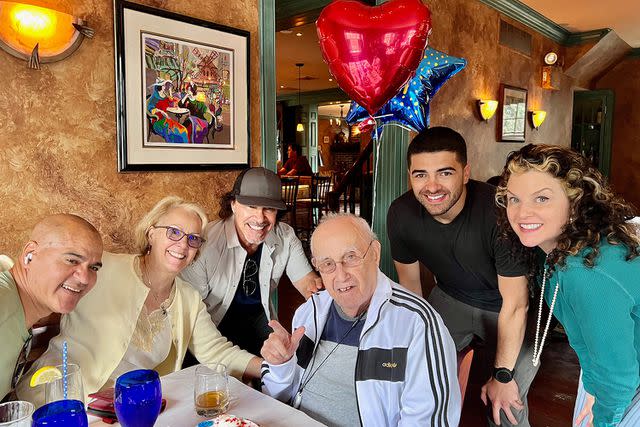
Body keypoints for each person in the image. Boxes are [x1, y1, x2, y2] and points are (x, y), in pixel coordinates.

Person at [17, 196, 261, 406]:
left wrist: (272, 368)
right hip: (56, 398)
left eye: (193, 239)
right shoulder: (100, 268)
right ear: (151, 233)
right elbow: (37, 284)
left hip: (125, 409)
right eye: (174, 232)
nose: (183, 244)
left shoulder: (189, 298)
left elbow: (217, 352)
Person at [387, 127, 536, 426]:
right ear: (409, 175)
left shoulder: (499, 212)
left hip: (508, 307)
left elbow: (516, 304)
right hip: (450, 297)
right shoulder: (401, 214)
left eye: (444, 173)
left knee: (505, 404)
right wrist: (418, 348)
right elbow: (411, 288)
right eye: (420, 175)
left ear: (465, 173)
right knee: (414, 374)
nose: (431, 186)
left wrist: (503, 375)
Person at [261, 214, 461, 426]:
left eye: (350, 257)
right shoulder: (309, 312)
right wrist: (280, 365)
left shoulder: (418, 324)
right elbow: (277, 397)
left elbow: (429, 421)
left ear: (375, 253)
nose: (341, 275)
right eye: (327, 264)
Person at [496, 144, 640, 427]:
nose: (523, 212)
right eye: (513, 199)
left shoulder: (585, 272)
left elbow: (618, 377)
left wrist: (604, 418)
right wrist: (593, 384)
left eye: (541, 199)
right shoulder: (555, 251)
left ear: (575, 204)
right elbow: (597, 350)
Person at [181, 168, 322, 356]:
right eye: (251, 207)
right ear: (233, 205)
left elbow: (308, 284)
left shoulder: (285, 236)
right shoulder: (206, 243)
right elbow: (191, 311)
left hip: (259, 320)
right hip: (212, 325)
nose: (260, 218)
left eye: (269, 209)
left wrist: (327, 296)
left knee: (285, 364)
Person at [0, 214, 103, 401]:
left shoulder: (17, 310)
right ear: (29, 255)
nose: (85, 278)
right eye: (72, 260)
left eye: (94, 268)